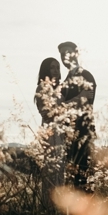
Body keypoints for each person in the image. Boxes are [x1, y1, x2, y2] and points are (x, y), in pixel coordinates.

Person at [57, 41, 96, 190]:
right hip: (67, 134)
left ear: (76, 54)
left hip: (82, 132)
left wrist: (64, 107)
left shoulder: (86, 75)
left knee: (83, 174)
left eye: (67, 52)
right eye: (61, 54)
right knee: (71, 177)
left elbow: (86, 103)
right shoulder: (64, 81)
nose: (64, 56)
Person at [34, 57, 65, 195]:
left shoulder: (60, 89)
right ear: (46, 69)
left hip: (61, 133)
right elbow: (47, 113)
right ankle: (48, 206)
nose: (56, 70)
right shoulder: (42, 87)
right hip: (50, 133)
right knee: (51, 169)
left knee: (60, 170)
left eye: (58, 67)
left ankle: (59, 208)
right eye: (52, 67)